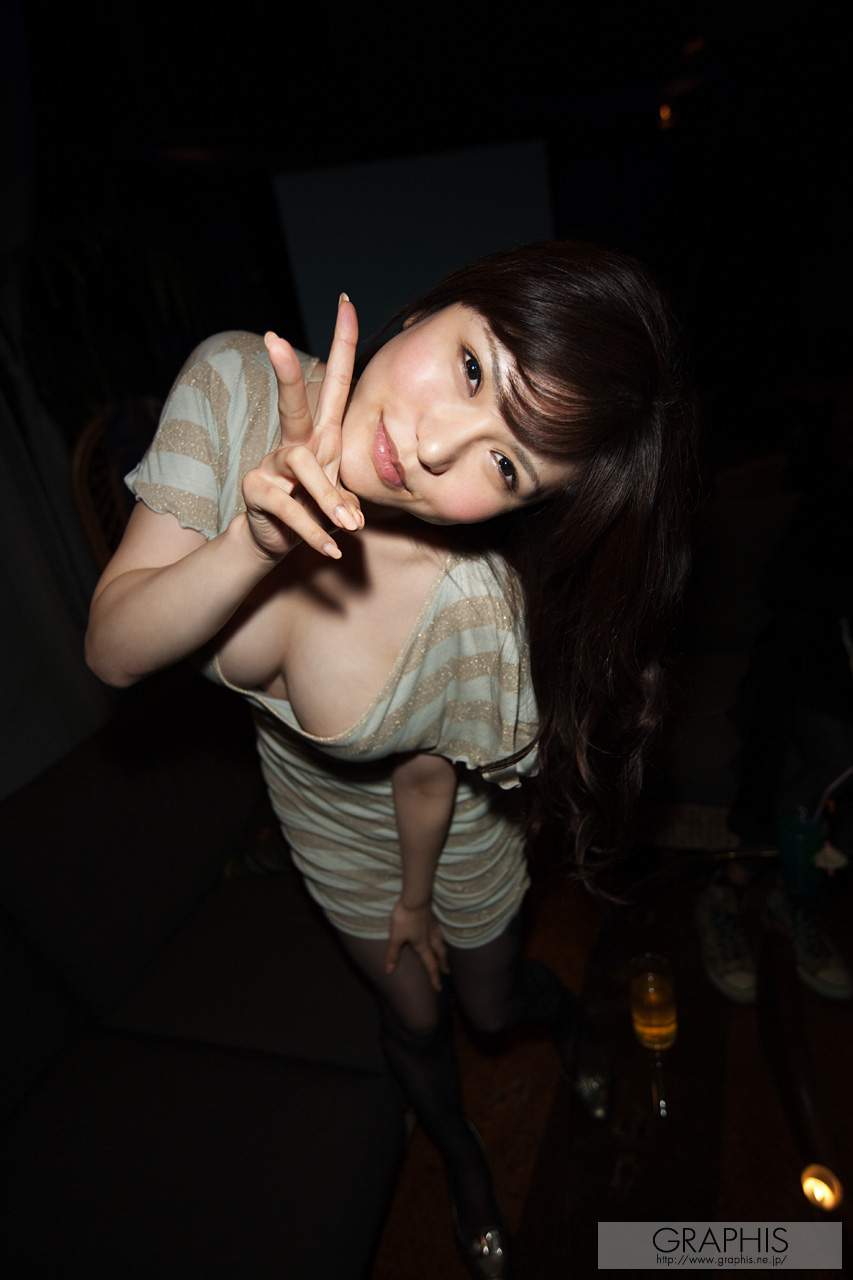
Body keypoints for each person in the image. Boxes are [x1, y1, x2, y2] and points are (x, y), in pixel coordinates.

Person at [85, 241, 698, 1278]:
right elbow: (112, 646)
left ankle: (574, 1024)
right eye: (471, 367)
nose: (433, 445)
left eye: (505, 466)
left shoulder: (471, 615)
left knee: (489, 1006)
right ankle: (461, 1163)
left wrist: (417, 899)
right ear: (433, 307)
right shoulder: (235, 387)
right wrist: (252, 541)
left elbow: (426, 775)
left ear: (520, 507)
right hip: (318, 814)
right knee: (410, 1016)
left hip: (451, 833)